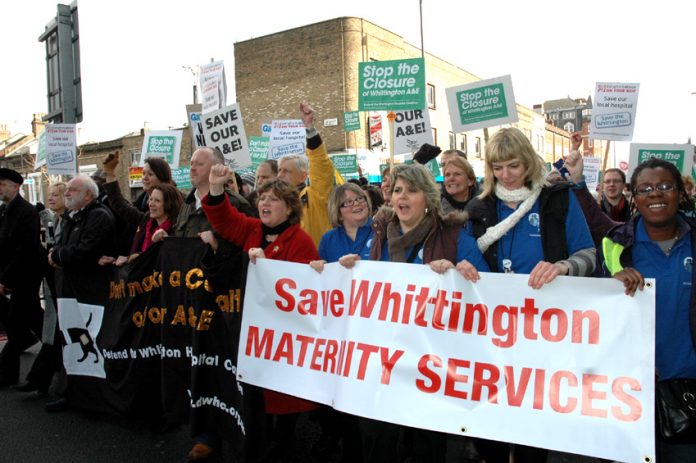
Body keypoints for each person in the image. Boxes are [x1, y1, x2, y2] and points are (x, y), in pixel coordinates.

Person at [336, 163, 489, 463]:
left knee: (426, 447)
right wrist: (341, 272)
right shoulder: (379, 235)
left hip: (431, 366)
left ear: (429, 198)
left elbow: (486, 291)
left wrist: (460, 273)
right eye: (397, 190)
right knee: (379, 441)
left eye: (412, 190)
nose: (402, 196)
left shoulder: (454, 237)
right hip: (387, 361)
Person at [462, 127, 595, 462]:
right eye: (497, 168)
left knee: (533, 433)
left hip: (544, 335)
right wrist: (458, 268)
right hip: (494, 336)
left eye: (513, 166)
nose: (505, 175)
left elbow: (589, 255)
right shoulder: (478, 208)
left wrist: (563, 267)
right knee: (490, 429)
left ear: (529, 163)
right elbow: (463, 263)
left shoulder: (557, 198)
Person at [202, 165, 320, 460]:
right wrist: (216, 189)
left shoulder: (300, 241)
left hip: (284, 337)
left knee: (284, 395)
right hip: (254, 332)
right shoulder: (253, 229)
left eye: (274, 199)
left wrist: (267, 265)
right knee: (256, 395)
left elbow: (301, 295)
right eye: (263, 198)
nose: (265, 203)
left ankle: (284, 440)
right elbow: (224, 219)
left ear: (290, 208)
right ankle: (259, 439)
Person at [596, 159, 696, 462]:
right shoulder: (614, 246)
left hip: (687, 389)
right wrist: (609, 285)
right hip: (629, 391)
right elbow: (594, 315)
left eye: (665, 186)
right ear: (633, 197)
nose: (655, 195)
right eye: (646, 189)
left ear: (680, 193)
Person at [46, 174, 116, 412]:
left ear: (88, 194)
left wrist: (58, 257)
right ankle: (72, 393)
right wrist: (60, 254)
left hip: (91, 293)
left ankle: (94, 397)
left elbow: (82, 251)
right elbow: (64, 247)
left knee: (91, 340)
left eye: (72, 190)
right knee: (71, 341)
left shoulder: (99, 216)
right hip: (70, 292)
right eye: (66, 189)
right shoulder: (70, 218)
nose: (66, 193)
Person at [14, 182, 68, 396]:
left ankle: (40, 379)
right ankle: (42, 380)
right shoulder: (54, 219)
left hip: (63, 286)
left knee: (56, 337)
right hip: (53, 283)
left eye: (56, 195)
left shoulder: (67, 221)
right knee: (53, 336)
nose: (51, 198)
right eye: (50, 194)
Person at [0, 168, 45, 388]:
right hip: (12, 273)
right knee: (36, 318)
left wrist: (5, 279)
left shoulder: (26, 212)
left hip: (26, 275)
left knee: (16, 321)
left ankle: (7, 373)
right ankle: (53, 348)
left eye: (3, 184)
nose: (0, 188)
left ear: (16, 186)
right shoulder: (4, 212)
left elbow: (24, 250)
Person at [277, 102, 338, 246]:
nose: (279, 175)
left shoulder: (315, 196)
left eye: (286, 171)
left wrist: (309, 128)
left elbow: (321, 166)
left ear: (303, 176)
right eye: (279, 170)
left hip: (315, 264)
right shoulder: (273, 202)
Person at [98, 183, 183, 266]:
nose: (151, 204)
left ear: (169, 204)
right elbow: (120, 206)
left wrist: (167, 240)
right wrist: (127, 259)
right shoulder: (145, 221)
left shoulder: (177, 229)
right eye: (151, 199)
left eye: (157, 201)